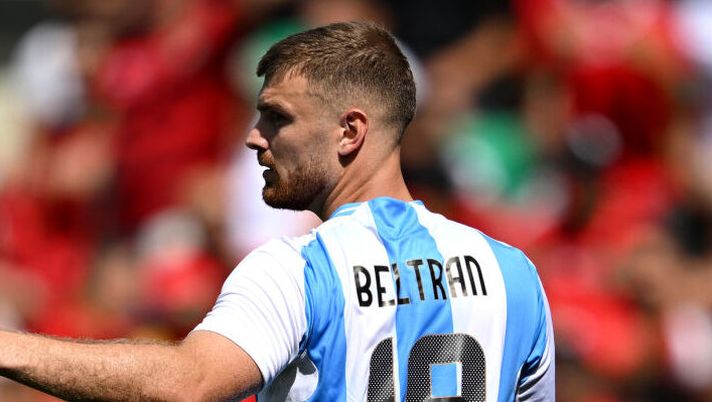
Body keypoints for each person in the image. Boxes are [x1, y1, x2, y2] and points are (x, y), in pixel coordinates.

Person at [0, 21, 554, 401]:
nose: (253, 138)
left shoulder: (299, 269)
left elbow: (188, 384)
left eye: (276, 118)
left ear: (349, 131)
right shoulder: (512, 275)